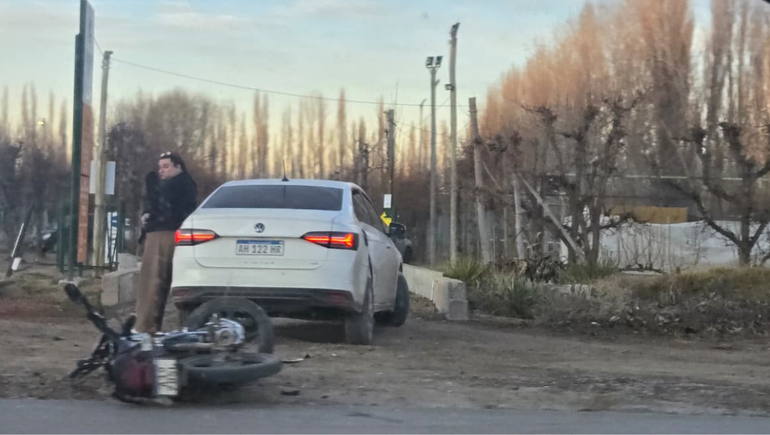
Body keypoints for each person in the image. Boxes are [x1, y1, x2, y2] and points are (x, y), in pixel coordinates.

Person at [134, 152, 197, 334]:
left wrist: (151, 187)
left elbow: (162, 206)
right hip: (171, 233)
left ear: (178, 167)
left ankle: (145, 328)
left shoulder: (176, 184)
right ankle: (152, 326)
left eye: (166, 166)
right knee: (161, 284)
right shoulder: (185, 184)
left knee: (152, 282)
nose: (161, 171)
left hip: (163, 235)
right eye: (160, 167)